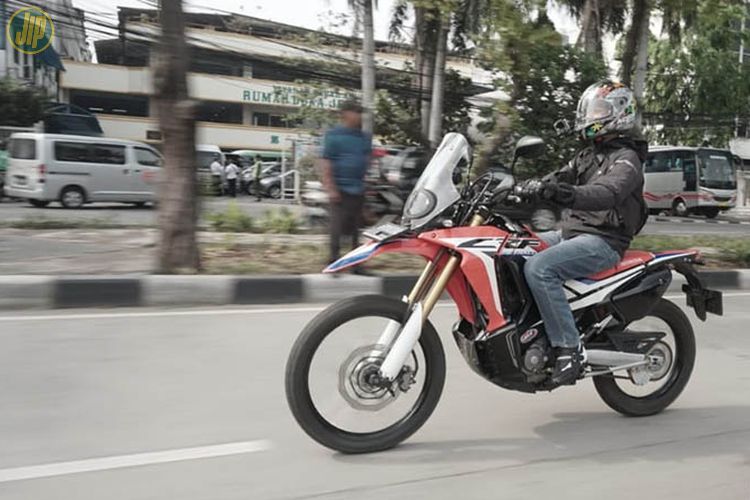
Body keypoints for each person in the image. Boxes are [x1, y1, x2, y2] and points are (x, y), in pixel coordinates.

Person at [521, 80, 649, 386]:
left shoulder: (627, 159)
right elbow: (558, 177)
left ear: (620, 113)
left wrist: (565, 194)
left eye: (599, 111)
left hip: (604, 240)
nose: (591, 116)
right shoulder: (587, 156)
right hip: (572, 233)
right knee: (516, 248)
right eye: (591, 111)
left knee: (539, 268)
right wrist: (527, 187)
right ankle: (530, 332)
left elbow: (608, 192)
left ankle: (569, 348)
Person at [320, 99, 372, 271]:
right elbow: (326, 162)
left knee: (357, 229)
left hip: (358, 188)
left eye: (360, 112)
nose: (359, 116)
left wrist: (366, 184)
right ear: (345, 114)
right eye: (355, 112)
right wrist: (331, 187)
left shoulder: (364, 138)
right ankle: (333, 262)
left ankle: (356, 264)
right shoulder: (334, 135)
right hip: (339, 189)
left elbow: (367, 161)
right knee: (337, 228)